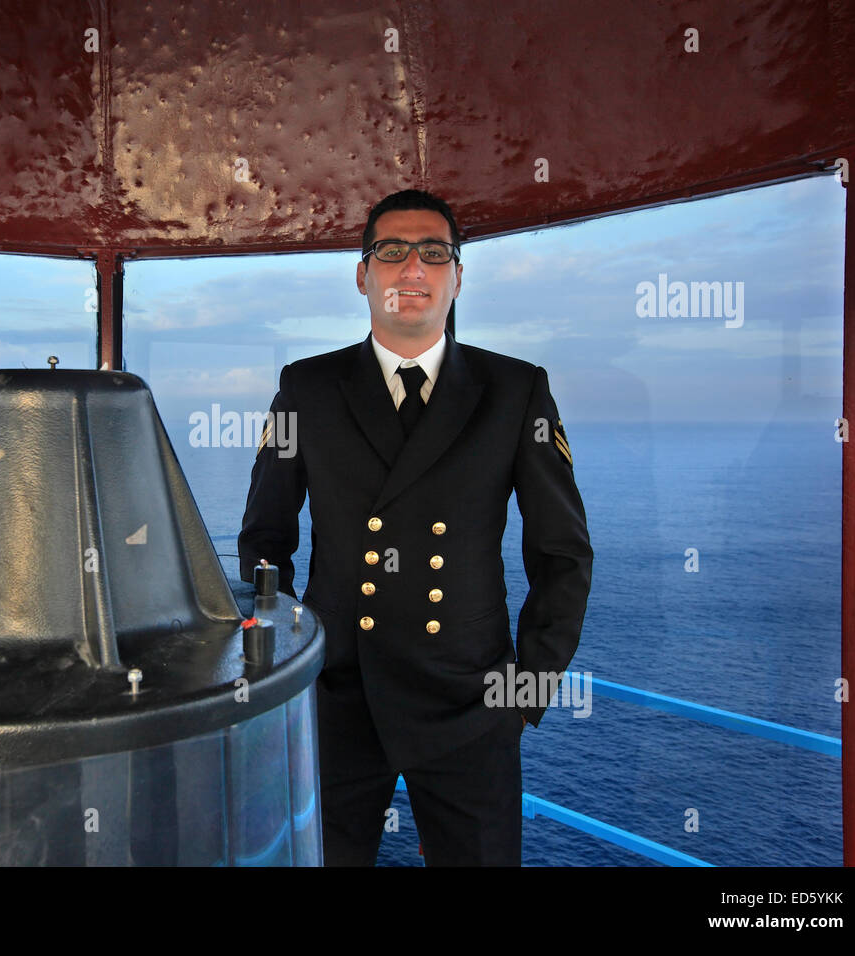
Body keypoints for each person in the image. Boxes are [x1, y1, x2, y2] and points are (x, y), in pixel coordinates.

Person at [238, 189, 592, 866]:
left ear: (458, 276)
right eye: (391, 251)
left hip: (473, 704)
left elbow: (563, 553)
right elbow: (265, 543)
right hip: (338, 698)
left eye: (434, 252)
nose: (412, 269)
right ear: (362, 274)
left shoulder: (515, 391)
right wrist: (283, 673)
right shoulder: (305, 389)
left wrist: (526, 691)